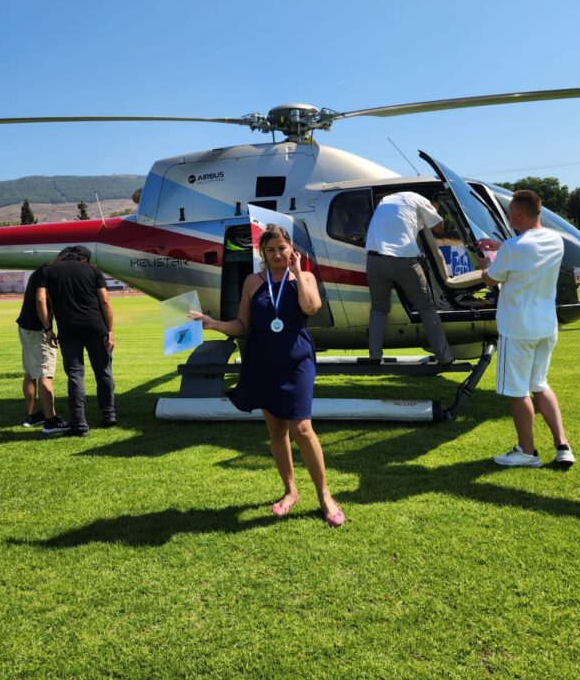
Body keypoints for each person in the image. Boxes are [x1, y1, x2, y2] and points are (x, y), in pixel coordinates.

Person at [190, 224, 345, 527]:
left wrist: (297, 271)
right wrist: (213, 323)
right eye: (270, 249)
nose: (277, 254)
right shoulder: (252, 282)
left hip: (296, 358)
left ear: (292, 249)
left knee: (302, 428)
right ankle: (290, 491)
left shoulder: (305, 277)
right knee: (276, 429)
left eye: (282, 248)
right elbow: (242, 324)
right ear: (262, 252)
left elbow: (311, 307)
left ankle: (324, 495)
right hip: (262, 358)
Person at [479, 189, 575, 468]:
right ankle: (562, 446)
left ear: (519, 213)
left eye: (510, 213)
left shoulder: (512, 247)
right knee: (540, 385)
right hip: (546, 326)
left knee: (516, 391)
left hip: (517, 328)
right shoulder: (555, 240)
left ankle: (527, 451)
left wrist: (486, 262)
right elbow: (527, 251)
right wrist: (501, 246)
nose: (509, 217)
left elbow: (490, 278)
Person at [365, 190, 455, 366]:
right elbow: (439, 227)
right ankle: (445, 358)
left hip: (374, 260)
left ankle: (374, 356)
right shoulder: (419, 199)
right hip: (403, 260)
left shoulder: (386, 200)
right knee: (426, 308)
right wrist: (434, 211)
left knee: (378, 309)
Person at [36, 245, 116, 437]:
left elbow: (40, 299)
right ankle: (109, 415)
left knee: (75, 376)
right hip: (96, 328)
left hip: (68, 330)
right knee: (103, 372)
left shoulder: (47, 271)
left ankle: (79, 424)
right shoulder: (94, 271)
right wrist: (111, 330)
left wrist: (48, 329)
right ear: (84, 259)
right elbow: (105, 301)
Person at [16, 255, 69, 435]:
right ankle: (51, 421)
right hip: (37, 329)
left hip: (25, 326)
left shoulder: (40, 271)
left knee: (30, 372)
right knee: (45, 374)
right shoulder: (49, 273)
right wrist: (48, 329)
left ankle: (32, 415)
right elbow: (40, 299)